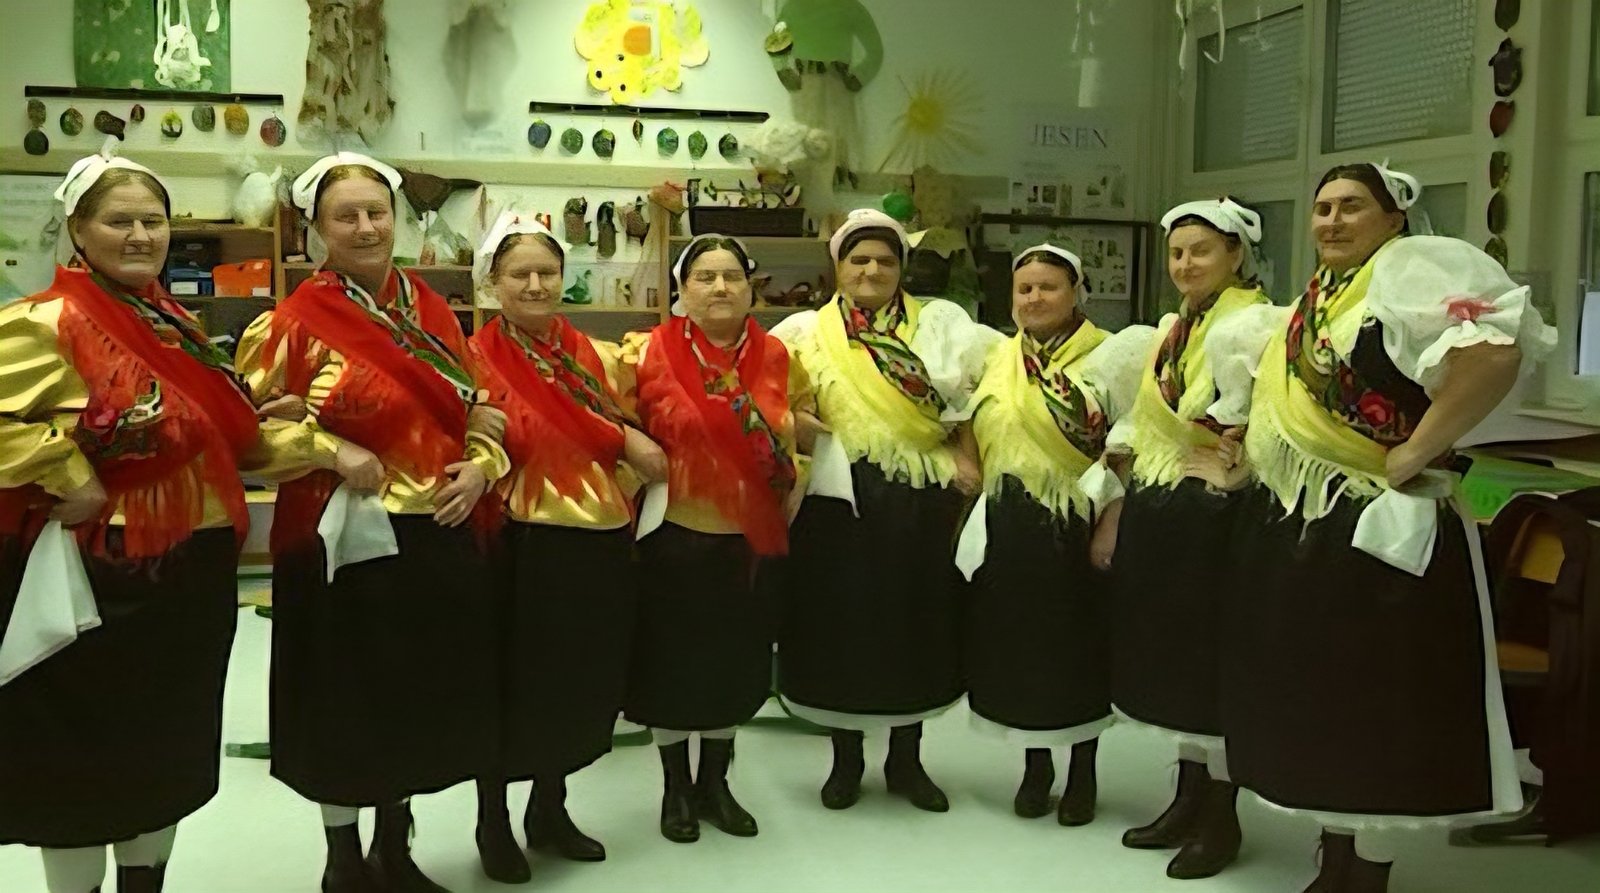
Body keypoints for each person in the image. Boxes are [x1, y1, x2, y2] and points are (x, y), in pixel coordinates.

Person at [1222, 163, 1552, 893]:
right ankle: (1335, 854)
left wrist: (1418, 448)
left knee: (1377, 704)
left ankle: (1368, 872)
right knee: (1328, 695)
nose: (1332, 221)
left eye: (1352, 206)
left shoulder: (1410, 271)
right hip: (1315, 525)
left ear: (1393, 218)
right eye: (1322, 208)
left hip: (1386, 529)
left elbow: (1494, 352)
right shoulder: (1318, 300)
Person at [235, 152, 510, 893]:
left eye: (376, 212)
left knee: (409, 698)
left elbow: (480, 407)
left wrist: (483, 465)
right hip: (340, 545)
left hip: (433, 531)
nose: (365, 227)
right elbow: (250, 437)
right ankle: (343, 859)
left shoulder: (434, 312)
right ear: (317, 230)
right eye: (345, 215)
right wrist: (331, 448)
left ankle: (396, 847)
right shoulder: (290, 324)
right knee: (343, 703)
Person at [0, 145, 262, 893]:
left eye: (154, 220)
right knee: (83, 762)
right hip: (98, 575)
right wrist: (69, 471)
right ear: (78, 231)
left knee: (164, 748)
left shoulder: (178, 325)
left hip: (191, 575)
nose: (141, 236)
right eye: (120, 221)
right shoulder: (41, 322)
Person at [771, 208, 1001, 813]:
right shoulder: (802, 333)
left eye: (884, 261)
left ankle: (907, 761)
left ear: (902, 268)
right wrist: (797, 422)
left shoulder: (941, 327)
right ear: (838, 267)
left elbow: (979, 398)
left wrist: (966, 457)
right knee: (841, 626)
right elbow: (769, 402)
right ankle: (845, 761)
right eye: (859, 260)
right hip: (836, 498)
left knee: (913, 623)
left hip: (918, 499)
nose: (871, 271)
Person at [464, 212, 666, 882]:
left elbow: (626, 426)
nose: (535, 285)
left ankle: (550, 808)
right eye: (519, 273)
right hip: (516, 539)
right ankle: (493, 820)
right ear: (492, 283)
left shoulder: (594, 354)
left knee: (577, 679)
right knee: (508, 681)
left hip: (596, 537)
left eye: (547, 272)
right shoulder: (470, 357)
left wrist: (626, 450)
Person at [1100, 198, 1279, 880]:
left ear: (1236, 254)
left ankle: (1221, 816)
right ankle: (1186, 797)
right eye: (1177, 252)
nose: (1185, 263)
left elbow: (1272, 417)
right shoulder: (1175, 327)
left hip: (1221, 514)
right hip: (1168, 505)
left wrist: (1238, 461)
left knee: (1215, 663)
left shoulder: (1257, 324)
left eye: (1201, 250)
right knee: (1177, 659)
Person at [621, 234, 814, 844]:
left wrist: (799, 467)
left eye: (732, 275)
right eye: (704, 277)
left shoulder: (779, 356)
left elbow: (798, 432)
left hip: (749, 536)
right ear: (682, 290)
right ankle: (676, 787)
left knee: (735, 662)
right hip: (673, 532)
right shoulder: (645, 352)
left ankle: (716, 783)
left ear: (751, 287)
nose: (720, 288)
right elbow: (618, 426)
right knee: (672, 664)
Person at [960, 245, 1152, 826]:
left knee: (1079, 651)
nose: (1035, 298)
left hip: (1079, 527)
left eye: (1048, 287)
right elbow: (969, 430)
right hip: (1010, 525)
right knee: (1023, 649)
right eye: (1024, 289)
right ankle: (1036, 767)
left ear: (1076, 293)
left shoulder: (1110, 357)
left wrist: (1111, 526)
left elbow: (1130, 452)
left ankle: (1083, 773)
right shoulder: (996, 358)